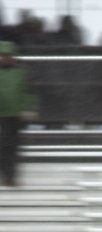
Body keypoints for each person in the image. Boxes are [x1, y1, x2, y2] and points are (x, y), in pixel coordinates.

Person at [0, 41, 37, 187]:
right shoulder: (19, 72)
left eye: (7, 55)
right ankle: (7, 175)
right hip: (3, 114)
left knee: (11, 146)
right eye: (2, 55)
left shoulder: (21, 72)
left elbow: (27, 91)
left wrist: (29, 108)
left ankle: (10, 176)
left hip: (14, 115)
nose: (4, 58)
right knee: (5, 146)